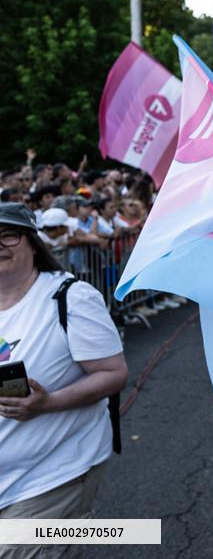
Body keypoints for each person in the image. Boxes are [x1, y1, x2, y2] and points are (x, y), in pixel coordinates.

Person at [0, 202, 128, 551]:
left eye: (8, 235)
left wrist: (47, 403)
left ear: (32, 242)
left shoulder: (69, 297)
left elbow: (114, 374)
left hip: (53, 473)